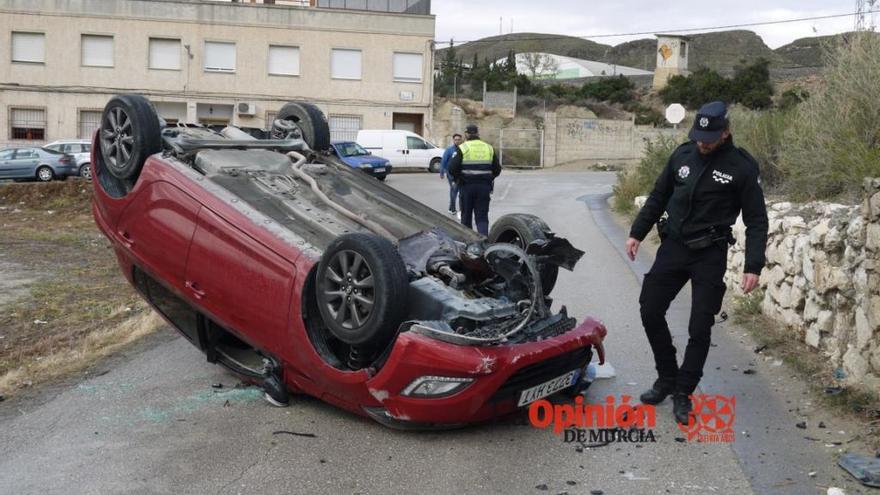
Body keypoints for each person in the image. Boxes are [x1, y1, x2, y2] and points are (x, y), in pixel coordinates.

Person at [624, 101, 768, 425]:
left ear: (726, 132)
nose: (703, 142)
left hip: (709, 254)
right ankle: (667, 377)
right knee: (650, 309)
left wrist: (753, 265)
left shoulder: (741, 167)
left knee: (699, 326)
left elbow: (757, 220)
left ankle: (683, 392)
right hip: (674, 247)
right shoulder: (682, 155)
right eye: (699, 135)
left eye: (710, 136)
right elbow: (658, 196)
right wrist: (636, 233)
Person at [449, 124, 501, 236]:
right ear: (478, 133)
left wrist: (459, 178)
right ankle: (483, 242)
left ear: (466, 134)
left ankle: (469, 245)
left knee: (466, 216)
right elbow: (497, 169)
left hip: (467, 186)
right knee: (482, 217)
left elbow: (452, 168)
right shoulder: (488, 148)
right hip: (484, 187)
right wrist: (488, 178)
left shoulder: (463, 147)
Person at [439, 133, 463, 215]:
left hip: (461, 174)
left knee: (461, 192)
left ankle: (455, 208)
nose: (457, 141)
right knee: (454, 190)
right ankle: (453, 209)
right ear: (453, 140)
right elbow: (444, 161)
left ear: (461, 140)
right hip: (451, 174)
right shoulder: (449, 150)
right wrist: (442, 172)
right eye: (455, 140)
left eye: (459, 139)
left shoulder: (463, 149)